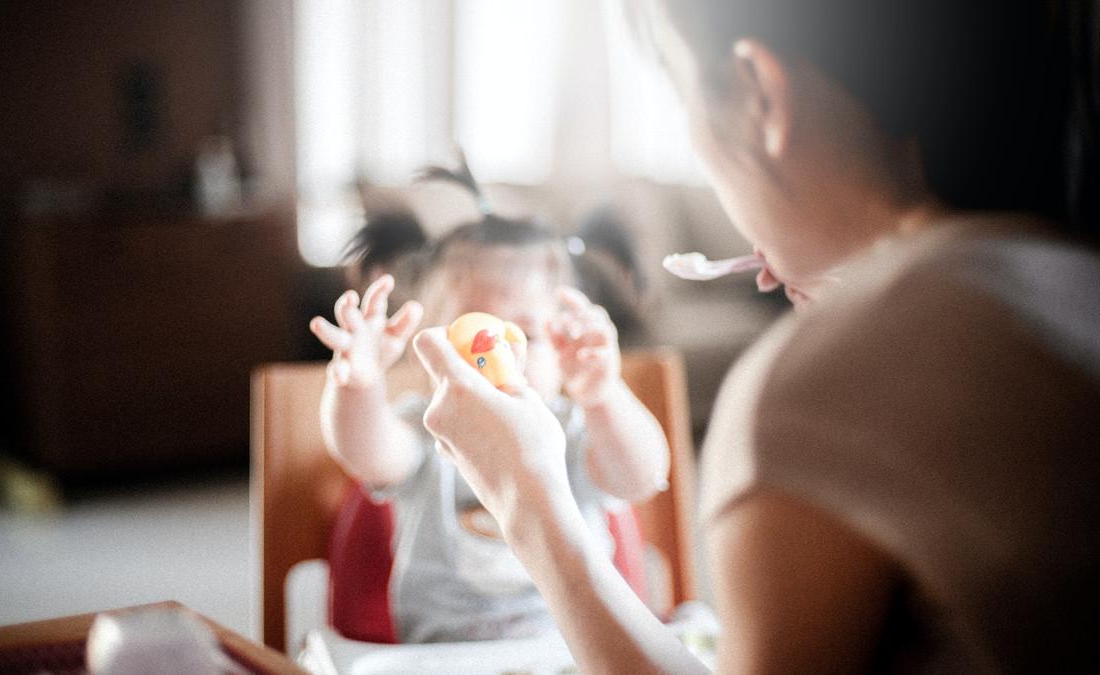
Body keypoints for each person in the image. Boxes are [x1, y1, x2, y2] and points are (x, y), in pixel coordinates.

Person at [410, 0, 1100, 672]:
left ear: (758, 93)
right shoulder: (1072, 280)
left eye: (680, 95)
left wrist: (529, 500)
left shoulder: (805, 394)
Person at [307, 167, 670, 643]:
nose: (498, 358)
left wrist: (604, 395)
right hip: (443, 658)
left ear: (564, 350)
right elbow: (364, 450)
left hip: (578, 652)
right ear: (425, 343)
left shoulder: (576, 431)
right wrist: (360, 383)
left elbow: (642, 476)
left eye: (526, 335)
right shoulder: (429, 427)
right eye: (473, 334)